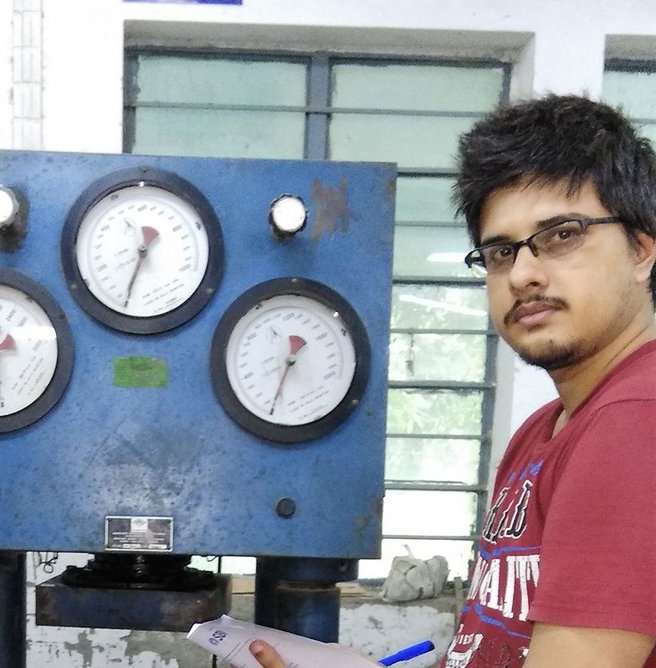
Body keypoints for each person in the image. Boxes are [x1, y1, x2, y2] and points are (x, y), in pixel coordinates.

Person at [249, 94, 656, 668]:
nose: (523, 273)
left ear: (641, 251)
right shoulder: (545, 431)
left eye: (562, 234)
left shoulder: (636, 421)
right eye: (499, 250)